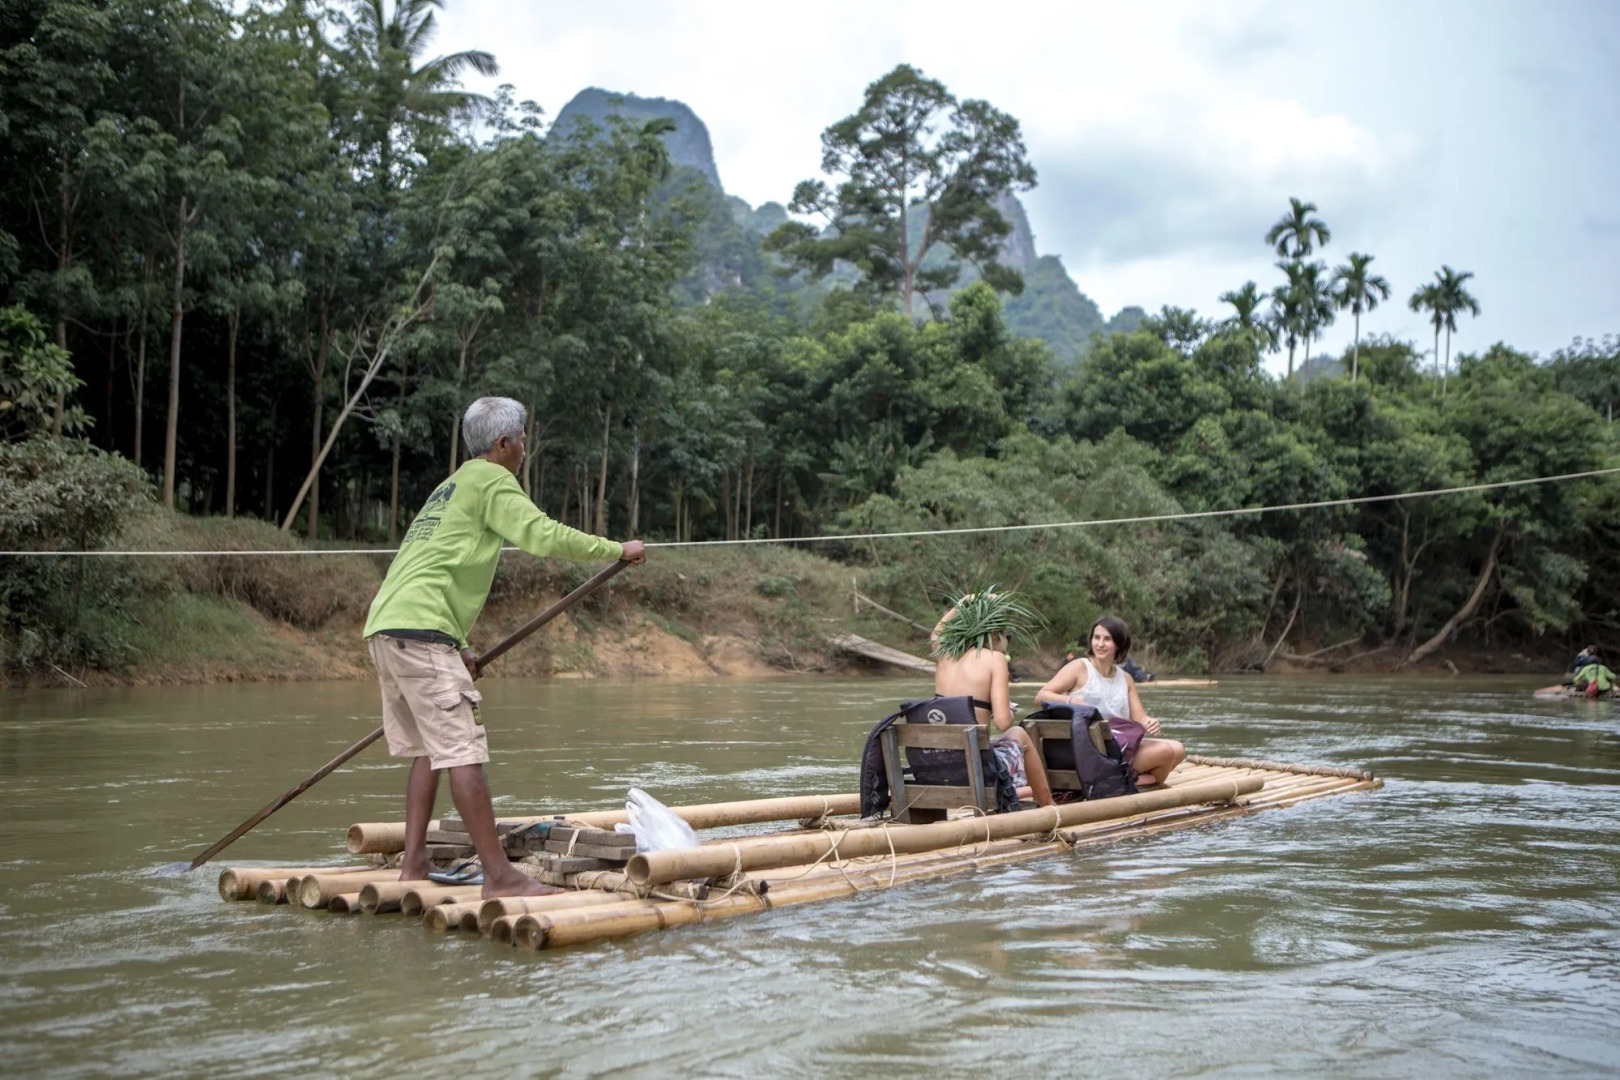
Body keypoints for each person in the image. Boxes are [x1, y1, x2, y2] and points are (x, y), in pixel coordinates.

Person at [363, 396, 647, 899]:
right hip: (421, 631)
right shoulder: (494, 480)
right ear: (502, 444)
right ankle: (500, 877)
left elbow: (433, 564)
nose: (524, 449)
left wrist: (459, 646)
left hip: (390, 627)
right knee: (462, 752)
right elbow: (541, 535)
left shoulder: (451, 486)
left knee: (430, 750)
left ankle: (414, 862)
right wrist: (616, 550)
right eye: (521, 440)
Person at [931, 590, 1054, 807]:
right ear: (995, 633)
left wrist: (963, 603)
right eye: (1008, 636)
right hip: (976, 768)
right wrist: (1006, 709)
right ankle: (1048, 805)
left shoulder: (945, 654)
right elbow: (1003, 723)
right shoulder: (995, 659)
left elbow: (936, 632)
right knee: (1018, 734)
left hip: (937, 766)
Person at [1033, 616, 1185, 787]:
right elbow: (1041, 696)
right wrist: (1070, 700)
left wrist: (1150, 722)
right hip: (1089, 751)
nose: (1100, 644)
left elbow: (1140, 719)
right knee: (1165, 751)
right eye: (1096, 637)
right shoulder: (1079, 667)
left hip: (1119, 746)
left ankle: (1127, 779)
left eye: (1107, 639)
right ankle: (1130, 780)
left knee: (1178, 749)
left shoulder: (1126, 678)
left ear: (1119, 644)